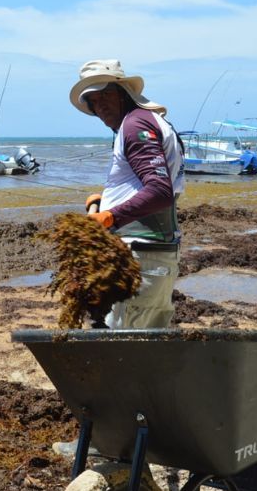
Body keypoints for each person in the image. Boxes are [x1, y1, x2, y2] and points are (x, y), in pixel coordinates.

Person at [70, 59, 185, 329]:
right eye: (93, 101)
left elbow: (159, 191)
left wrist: (110, 216)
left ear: (124, 93)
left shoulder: (135, 126)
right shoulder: (143, 122)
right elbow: (148, 182)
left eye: (106, 95)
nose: (101, 105)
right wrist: (106, 199)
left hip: (141, 255)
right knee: (140, 340)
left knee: (123, 341)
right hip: (152, 252)